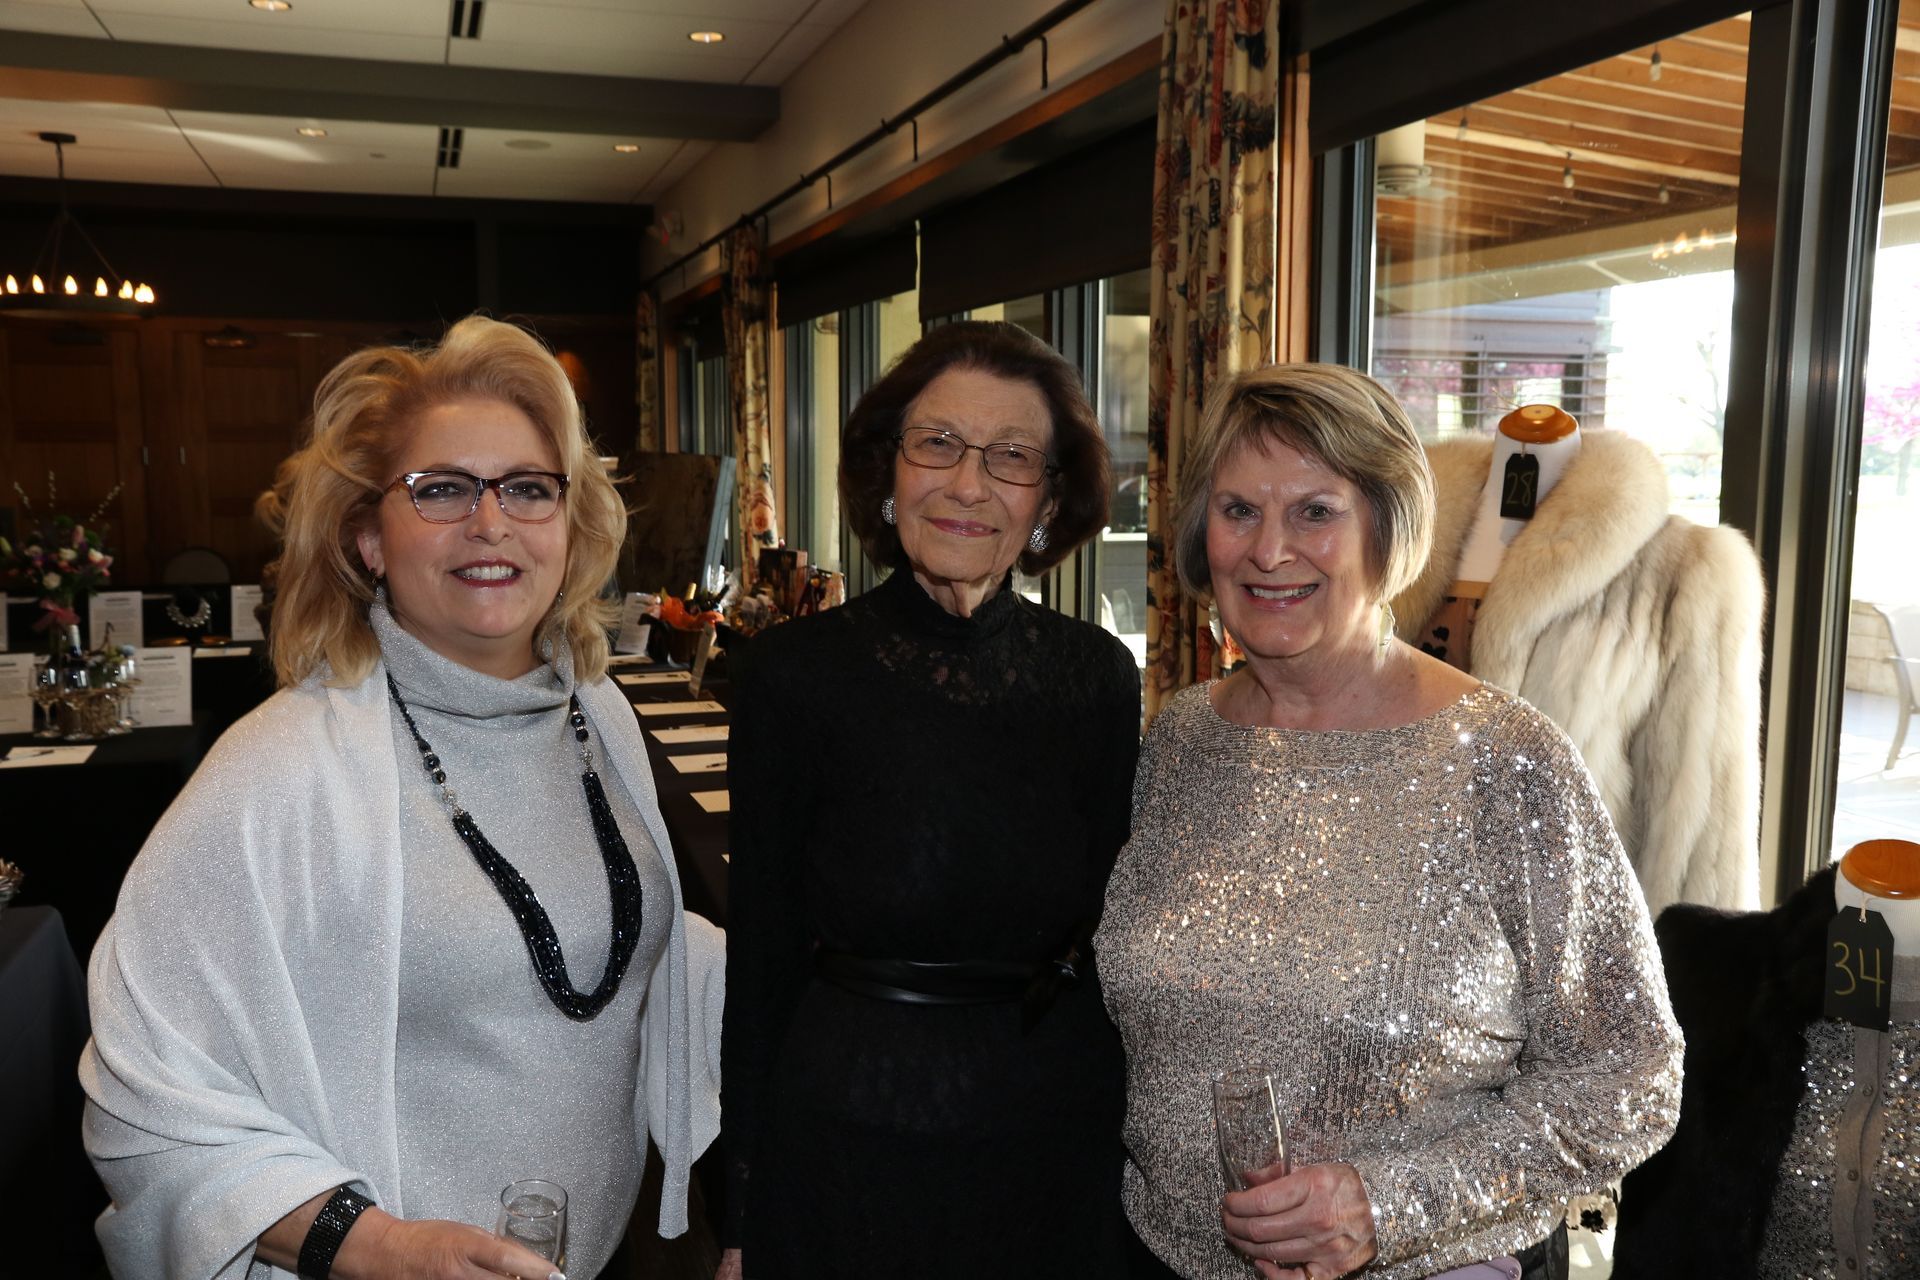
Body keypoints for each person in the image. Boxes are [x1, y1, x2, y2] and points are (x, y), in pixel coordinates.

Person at [80, 316, 722, 1280]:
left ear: (571, 522)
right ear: (368, 537)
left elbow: (601, 961)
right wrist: (369, 1243)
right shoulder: (280, 769)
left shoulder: (600, 718)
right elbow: (143, 1094)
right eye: (442, 489)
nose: (490, 522)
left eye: (527, 488)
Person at [1096, 364, 1683, 1280]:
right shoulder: (1181, 740)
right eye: (1238, 510)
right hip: (1154, 1257)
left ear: (1388, 525)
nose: (1270, 551)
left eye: (1316, 512)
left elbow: (1631, 1077)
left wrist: (1387, 1203)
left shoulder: (1502, 760)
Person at [718, 321, 1141, 1278]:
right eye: (938, 444)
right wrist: (740, 1218)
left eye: (1012, 457)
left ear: (1049, 497)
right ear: (887, 471)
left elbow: (1114, 951)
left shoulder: (1097, 679)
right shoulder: (793, 675)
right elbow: (765, 956)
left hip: (1050, 1142)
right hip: (844, 1140)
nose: (967, 484)